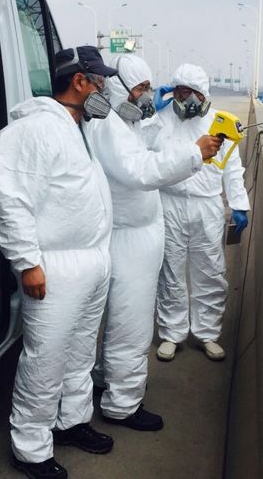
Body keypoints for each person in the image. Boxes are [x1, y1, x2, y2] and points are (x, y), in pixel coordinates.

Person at [0, 46, 117, 479]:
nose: (105, 90)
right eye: (100, 81)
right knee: (45, 359)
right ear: (79, 81)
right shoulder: (35, 130)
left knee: (80, 353)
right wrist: (27, 262)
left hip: (91, 261)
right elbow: (12, 198)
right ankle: (30, 448)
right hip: (55, 266)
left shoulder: (77, 127)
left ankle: (71, 421)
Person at [84, 55, 222, 431]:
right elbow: (141, 170)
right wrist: (194, 153)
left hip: (135, 232)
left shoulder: (123, 121)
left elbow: (142, 149)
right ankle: (123, 404)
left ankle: (107, 381)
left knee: (122, 321)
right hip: (129, 238)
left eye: (149, 87)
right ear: (118, 89)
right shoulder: (110, 126)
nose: (148, 96)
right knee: (132, 326)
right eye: (141, 88)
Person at [143, 63, 250, 362]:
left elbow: (233, 167)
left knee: (210, 271)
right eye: (181, 91)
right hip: (168, 203)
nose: (187, 99)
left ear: (205, 94)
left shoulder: (219, 123)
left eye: (194, 93)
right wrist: (151, 112)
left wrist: (239, 203)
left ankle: (207, 333)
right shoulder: (160, 119)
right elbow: (139, 150)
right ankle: (172, 333)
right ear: (173, 91)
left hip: (207, 206)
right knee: (170, 272)